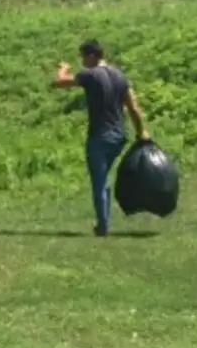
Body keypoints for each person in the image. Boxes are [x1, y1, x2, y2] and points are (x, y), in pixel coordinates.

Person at [51, 39, 149, 237]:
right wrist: (142, 132)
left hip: (99, 136)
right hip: (119, 136)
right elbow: (134, 108)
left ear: (92, 56)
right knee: (103, 179)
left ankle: (102, 225)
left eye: (83, 57)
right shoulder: (120, 76)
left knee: (99, 181)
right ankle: (105, 218)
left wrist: (63, 68)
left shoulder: (90, 74)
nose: (82, 62)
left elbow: (59, 83)